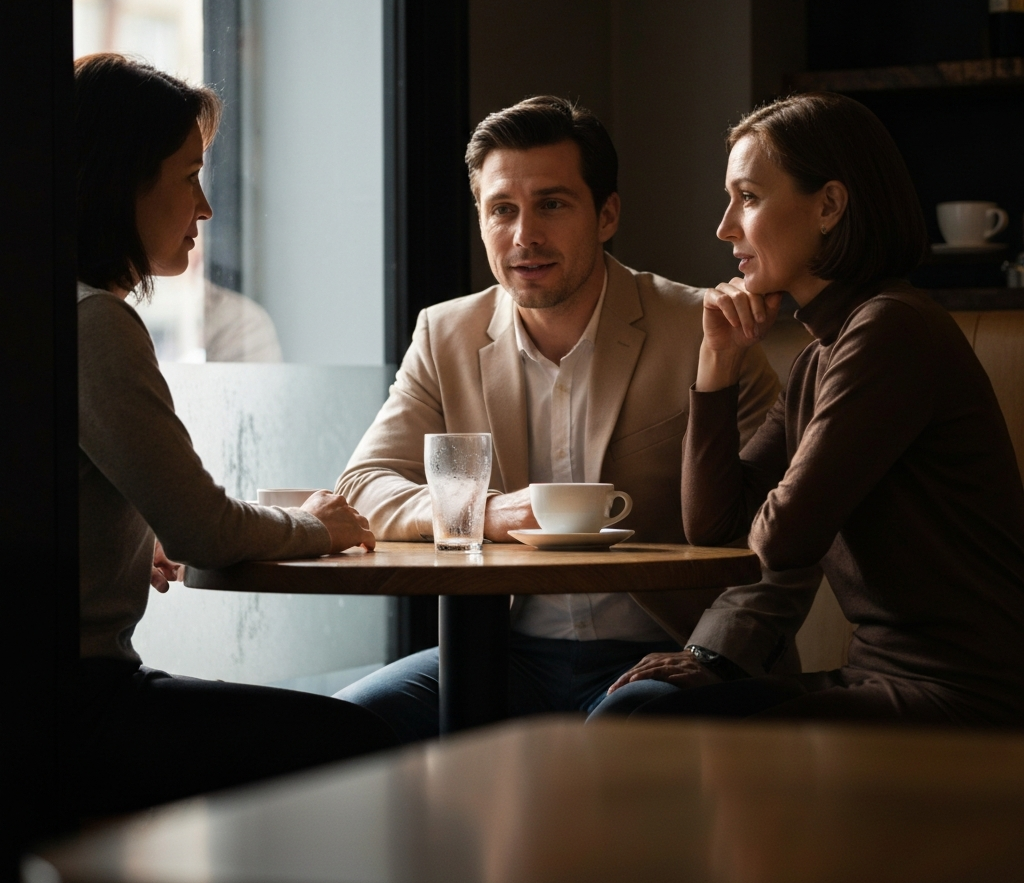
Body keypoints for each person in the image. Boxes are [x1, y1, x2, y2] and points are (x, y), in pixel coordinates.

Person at [335, 96, 823, 742]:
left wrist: (715, 653)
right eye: (502, 210)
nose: (524, 236)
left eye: (553, 205)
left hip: (667, 650)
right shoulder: (445, 333)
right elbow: (363, 487)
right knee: (342, 726)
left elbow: (786, 537)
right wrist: (482, 511)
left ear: (607, 214)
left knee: (615, 738)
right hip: (502, 656)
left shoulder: (700, 329)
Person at [591, 92, 1024, 725]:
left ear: (829, 205)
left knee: (645, 726)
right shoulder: (822, 356)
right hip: (876, 674)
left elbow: (784, 538)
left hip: (964, 694)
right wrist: (717, 363)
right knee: (635, 710)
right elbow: (711, 525)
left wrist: (720, 650)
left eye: (749, 197)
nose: (725, 227)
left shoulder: (890, 332)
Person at [72, 53, 397, 816]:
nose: (206, 207)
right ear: (123, 181)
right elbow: (207, 529)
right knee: (359, 745)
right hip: (78, 706)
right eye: (189, 176)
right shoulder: (96, 322)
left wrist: (129, 534)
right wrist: (319, 525)